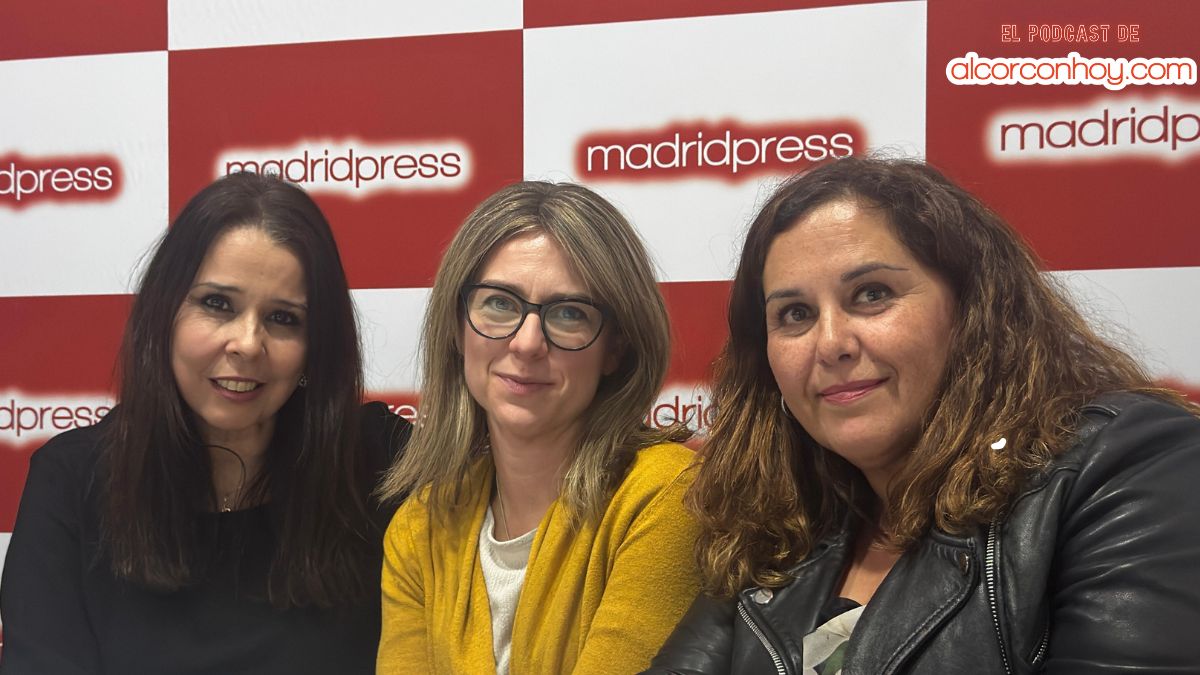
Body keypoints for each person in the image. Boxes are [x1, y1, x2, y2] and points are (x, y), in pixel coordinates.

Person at [645, 157, 1200, 674]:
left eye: (871, 294)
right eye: (795, 314)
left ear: (972, 310)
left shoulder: (1127, 464)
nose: (830, 342)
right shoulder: (779, 524)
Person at [0, 172, 412, 674]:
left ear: (316, 347)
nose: (247, 343)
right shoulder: (72, 480)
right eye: (217, 304)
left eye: (284, 319)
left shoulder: (381, 466)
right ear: (165, 312)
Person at [375, 181, 701, 675]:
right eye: (500, 303)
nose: (527, 344)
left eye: (569, 313)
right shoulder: (420, 525)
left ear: (616, 348)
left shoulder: (665, 497)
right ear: (456, 326)